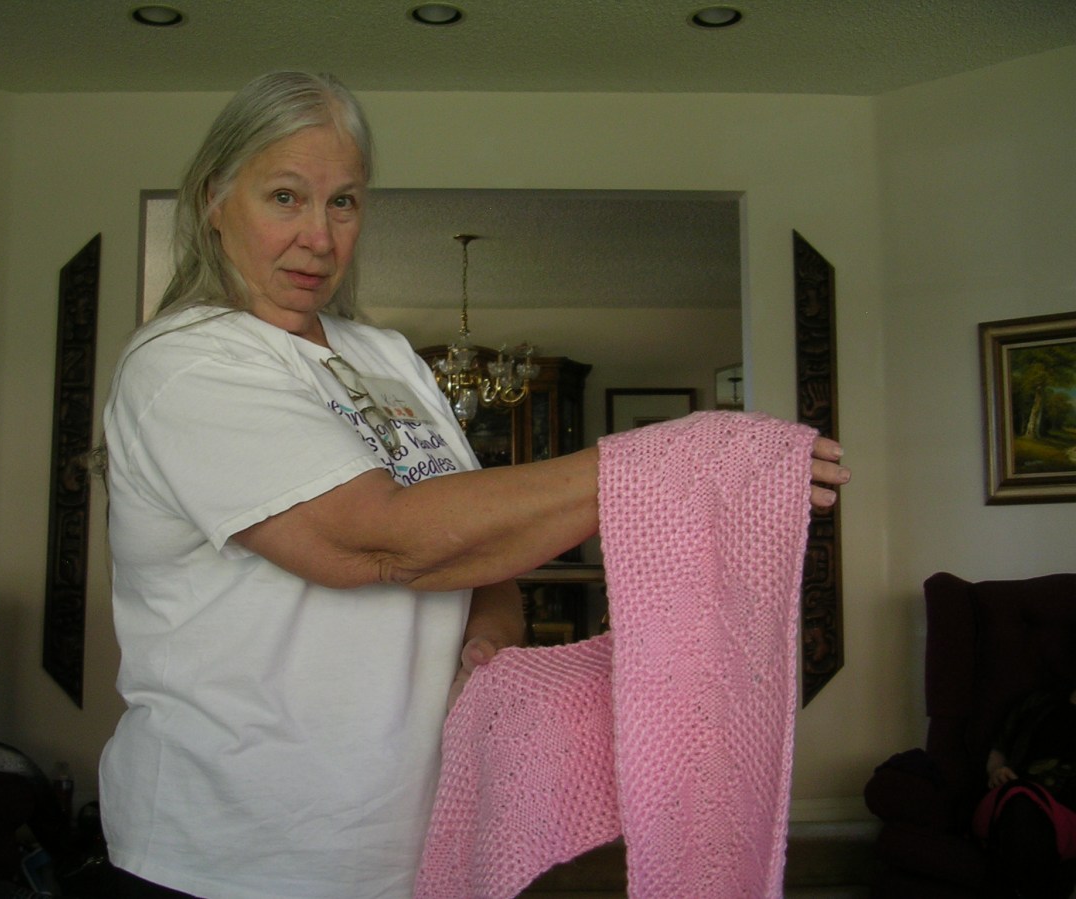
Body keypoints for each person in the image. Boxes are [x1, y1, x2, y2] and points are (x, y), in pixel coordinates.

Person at [98, 70, 850, 899]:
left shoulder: (385, 356)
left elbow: (483, 552)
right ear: (214, 198)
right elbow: (378, 540)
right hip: (233, 855)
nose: (319, 235)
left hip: (416, 842)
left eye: (343, 202)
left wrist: (490, 637)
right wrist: (665, 463)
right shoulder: (187, 363)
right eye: (286, 197)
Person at [975, 681, 1076, 899]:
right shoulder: (1037, 701)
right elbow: (998, 752)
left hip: (1066, 818)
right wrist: (996, 771)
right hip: (1008, 798)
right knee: (1020, 802)